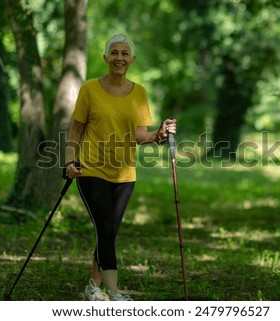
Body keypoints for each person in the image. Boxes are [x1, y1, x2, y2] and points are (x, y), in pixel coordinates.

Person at [64, 34, 176, 301]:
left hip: (125, 174)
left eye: (125, 54)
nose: (119, 58)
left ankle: (93, 285)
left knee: (109, 231)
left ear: (132, 60)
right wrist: (69, 160)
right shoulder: (89, 89)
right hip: (91, 169)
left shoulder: (139, 93)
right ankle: (114, 294)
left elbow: (140, 135)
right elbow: (76, 129)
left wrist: (159, 134)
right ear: (105, 58)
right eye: (114, 53)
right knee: (104, 227)